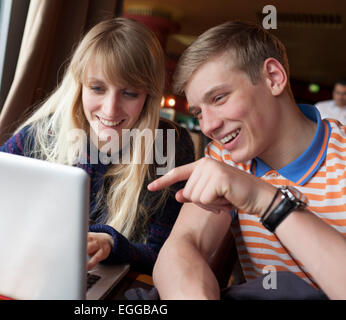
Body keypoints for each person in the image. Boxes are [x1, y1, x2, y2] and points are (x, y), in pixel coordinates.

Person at [148, 21, 346, 299]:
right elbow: (182, 246)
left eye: (218, 98)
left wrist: (265, 200)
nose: (208, 127)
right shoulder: (226, 157)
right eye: (198, 113)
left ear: (273, 78)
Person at [0, 18, 195, 275]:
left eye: (130, 93)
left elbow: (164, 257)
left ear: (149, 96)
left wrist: (113, 244)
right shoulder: (43, 133)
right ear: (79, 85)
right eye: (97, 88)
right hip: (32, 271)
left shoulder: (170, 147)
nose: (110, 109)